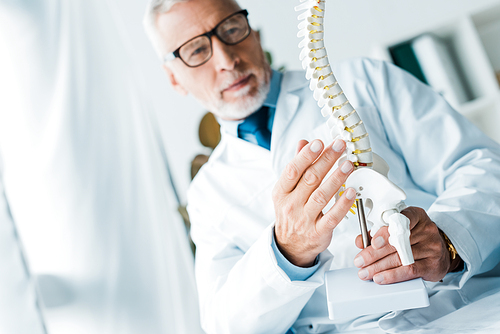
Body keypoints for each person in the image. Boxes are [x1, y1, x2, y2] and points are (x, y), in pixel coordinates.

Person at [143, 0, 500, 333]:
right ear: (174, 78)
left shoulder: (363, 80)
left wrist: (449, 241)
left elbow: (483, 165)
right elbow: (225, 322)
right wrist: (287, 252)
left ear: (255, 34)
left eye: (232, 29)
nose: (225, 59)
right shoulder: (208, 194)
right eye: (196, 51)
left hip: (461, 305)